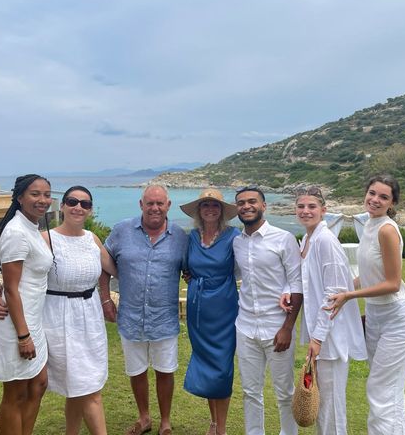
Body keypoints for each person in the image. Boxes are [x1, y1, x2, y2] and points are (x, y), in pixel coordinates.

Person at [0, 186, 118, 435]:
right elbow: (20, 276)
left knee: (80, 385)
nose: (78, 207)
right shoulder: (44, 238)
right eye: (72, 201)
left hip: (89, 319)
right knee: (85, 388)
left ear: (90, 210)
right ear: (62, 206)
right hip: (56, 319)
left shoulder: (93, 239)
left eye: (85, 204)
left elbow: (114, 269)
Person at [326, 175, 405, 435]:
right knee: (388, 389)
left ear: (392, 203)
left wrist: (350, 297)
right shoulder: (368, 225)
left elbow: (392, 283)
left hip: (398, 318)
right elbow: (368, 274)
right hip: (376, 316)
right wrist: (346, 288)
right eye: (372, 193)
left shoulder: (386, 229)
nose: (375, 200)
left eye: (383, 196)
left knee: (381, 389)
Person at [103, 185, 188, 435]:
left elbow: (191, 270)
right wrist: (106, 300)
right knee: (136, 371)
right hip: (130, 317)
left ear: (168, 206)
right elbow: (103, 263)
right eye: (150, 203)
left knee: (165, 371)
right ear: (141, 205)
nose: (155, 208)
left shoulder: (181, 237)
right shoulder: (121, 231)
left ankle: (165, 421)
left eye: (160, 203)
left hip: (164, 318)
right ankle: (144, 418)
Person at [289, 186, 367, 434]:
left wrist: (318, 337)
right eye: (301, 206)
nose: (306, 211)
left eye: (312, 206)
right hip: (321, 335)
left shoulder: (325, 241)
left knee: (332, 405)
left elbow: (333, 293)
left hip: (331, 337)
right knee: (322, 403)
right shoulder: (308, 239)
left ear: (324, 211)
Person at [232, 185, 303, 435]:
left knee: (284, 391)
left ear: (264, 206)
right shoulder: (236, 243)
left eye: (252, 201)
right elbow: (230, 274)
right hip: (245, 326)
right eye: (241, 203)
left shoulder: (283, 239)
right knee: (250, 391)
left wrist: (287, 328)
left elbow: (297, 283)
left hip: (277, 327)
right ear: (237, 209)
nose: (246, 206)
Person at [0, 174, 54, 435]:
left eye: (47, 194)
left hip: (32, 320)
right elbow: (13, 289)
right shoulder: (16, 231)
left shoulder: (31, 228)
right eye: (35, 194)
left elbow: (16, 281)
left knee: (38, 384)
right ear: (20, 198)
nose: (42, 200)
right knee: (15, 393)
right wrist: (23, 336)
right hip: (17, 325)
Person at [179, 188, 240, 435]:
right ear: (199, 211)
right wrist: (188, 276)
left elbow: (250, 264)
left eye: (215, 206)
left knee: (222, 367)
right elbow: (185, 266)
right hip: (198, 307)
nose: (211, 210)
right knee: (206, 364)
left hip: (224, 307)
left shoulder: (234, 236)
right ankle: (213, 422)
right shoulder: (192, 237)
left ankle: (222, 429)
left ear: (222, 211)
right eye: (206, 205)